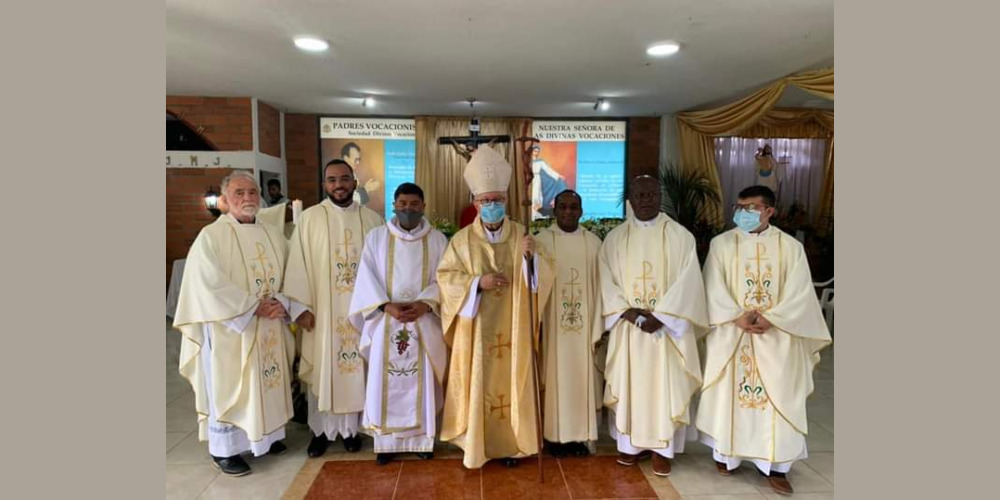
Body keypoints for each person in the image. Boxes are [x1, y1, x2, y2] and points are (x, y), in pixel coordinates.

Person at [696, 185, 831, 496]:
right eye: (738, 206)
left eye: (750, 207)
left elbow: (800, 293)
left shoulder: (789, 248)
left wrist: (774, 317)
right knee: (730, 395)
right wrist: (735, 315)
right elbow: (711, 286)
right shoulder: (721, 244)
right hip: (734, 334)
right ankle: (727, 456)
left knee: (779, 397)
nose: (741, 212)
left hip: (776, 338)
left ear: (770, 211)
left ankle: (777, 465)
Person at [437, 146, 554, 469]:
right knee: (480, 383)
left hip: (514, 328)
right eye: (485, 201)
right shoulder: (461, 241)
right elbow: (446, 278)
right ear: (475, 204)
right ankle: (477, 445)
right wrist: (477, 284)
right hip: (476, 333)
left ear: (506, 200)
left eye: (496, 200)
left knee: (513, 381)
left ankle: (515, 446)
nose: (491, 206)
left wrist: (532, 261)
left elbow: (542, 280)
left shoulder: (523, 236)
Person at [173, 170, 298, 476]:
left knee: (266, 381)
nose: (247, 198)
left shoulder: (271, 233)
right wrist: (254, 306)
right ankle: (225, 450)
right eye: (239, 193)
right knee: (231, 385)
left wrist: (281, 301)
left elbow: (291, 270)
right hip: (231, 329)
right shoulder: (211, 236)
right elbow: (207, 284)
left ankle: (266, 438)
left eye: (252, 192)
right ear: (226, 200)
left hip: (269, 323)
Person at [598, 175, 708, 477]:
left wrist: (663, 316)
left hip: (666, 331)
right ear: (630, 200)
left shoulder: (679, 236)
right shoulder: (615, 238)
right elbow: (605, 279)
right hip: (629, 329)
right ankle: (629, 446)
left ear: (659, 197)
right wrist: (629, 313)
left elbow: (690, 282)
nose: (645, 199)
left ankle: (663, 450)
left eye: (651, 194)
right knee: (628, 383)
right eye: (639, 195)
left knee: (665, 386)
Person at [283, 159, 385, 457]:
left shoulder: (373, 221)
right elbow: (297, 265)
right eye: (331, 180)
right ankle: (321, 432)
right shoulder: (310, 219)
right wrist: (300, 308)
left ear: (355, 182)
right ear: (324, 184)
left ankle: (351, 431)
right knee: (325, 369)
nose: (338, 185)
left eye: (344, 179)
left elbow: (383, 268)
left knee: (358, 370)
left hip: (363, 314)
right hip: (323, 314)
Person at [349, 182, 449, 465]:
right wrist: (386, 305)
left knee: (423, 382)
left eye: (414, 204)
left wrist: (425, 303)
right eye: (402, 204)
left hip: (424, 322)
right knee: (385, 380)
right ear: (394, 205)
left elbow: (445, 280)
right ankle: (386, 444)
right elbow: (365, 277)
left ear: (423, 207)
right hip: (385, 321)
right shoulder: (377, 238)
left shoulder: (438, 240)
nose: (408, 209)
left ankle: (422, 441)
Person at [535, 190, 604, 457]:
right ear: (554, 210)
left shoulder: (594, 243)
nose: (568, 212)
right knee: (553, 378)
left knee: (581, 376)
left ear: (581, 211)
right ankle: (551, 436)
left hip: (584, 328)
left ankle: (580, 436)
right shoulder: (541, 242)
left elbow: (601, 287)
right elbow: (533, 287)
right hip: (553, 329)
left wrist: (599, 324)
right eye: (562, 207)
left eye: (573, 207)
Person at [530, 145, 568, 219]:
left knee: (536, 195)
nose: (536, 153)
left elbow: (548, 170)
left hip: (537, 179)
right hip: (529, 179)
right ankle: (531, 213)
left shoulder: (540, 161)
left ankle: (535, 213)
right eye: (534, 151)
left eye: (537, 151)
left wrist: (557, 176)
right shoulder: (527, 161)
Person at [341, 142, 381, 208]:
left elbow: (360, 202)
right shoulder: (338, 178)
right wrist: (367, 189)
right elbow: (346, 202)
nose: (358, 163)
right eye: (356, 159)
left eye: (359, 160)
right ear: (346, 159)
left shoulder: (353, 175)